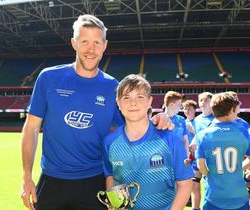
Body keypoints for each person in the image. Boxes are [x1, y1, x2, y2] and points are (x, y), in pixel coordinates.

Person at [20, 14, 173, 210]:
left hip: (94, 182)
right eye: (84, 42)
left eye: (96, 42)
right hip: (52, 180)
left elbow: (133, 125)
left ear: (105, 45)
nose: (90, 49)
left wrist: (159, 118)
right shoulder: (48, 78)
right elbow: (31, 128)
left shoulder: (113, 87)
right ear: (74, 43)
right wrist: (26, 176)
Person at [102, 74, 193, 209]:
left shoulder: (170, 139)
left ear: (150, 101)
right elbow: (110, 176)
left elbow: (185, 184)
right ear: (118, 103)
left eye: (140, 97)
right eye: (126, 97)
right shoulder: (109, 142)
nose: (133, 103)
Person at [196, 92, 250, 210]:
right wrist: (237, 169)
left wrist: (211, 174)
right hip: (238, 195)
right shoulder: (243, 131)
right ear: (232, 110)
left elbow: (200, 165)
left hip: (214, 196)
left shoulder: (203, 134)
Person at [189, 91, 215, 210]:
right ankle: (195, 208)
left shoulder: (216, 118)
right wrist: (193, 143)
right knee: (194, 183)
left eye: (206, 100)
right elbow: (197, 135)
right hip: (197, 156)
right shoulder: (197, 119)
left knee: (209, 184)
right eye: (201, 100)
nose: (203, 102)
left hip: (211, 157)